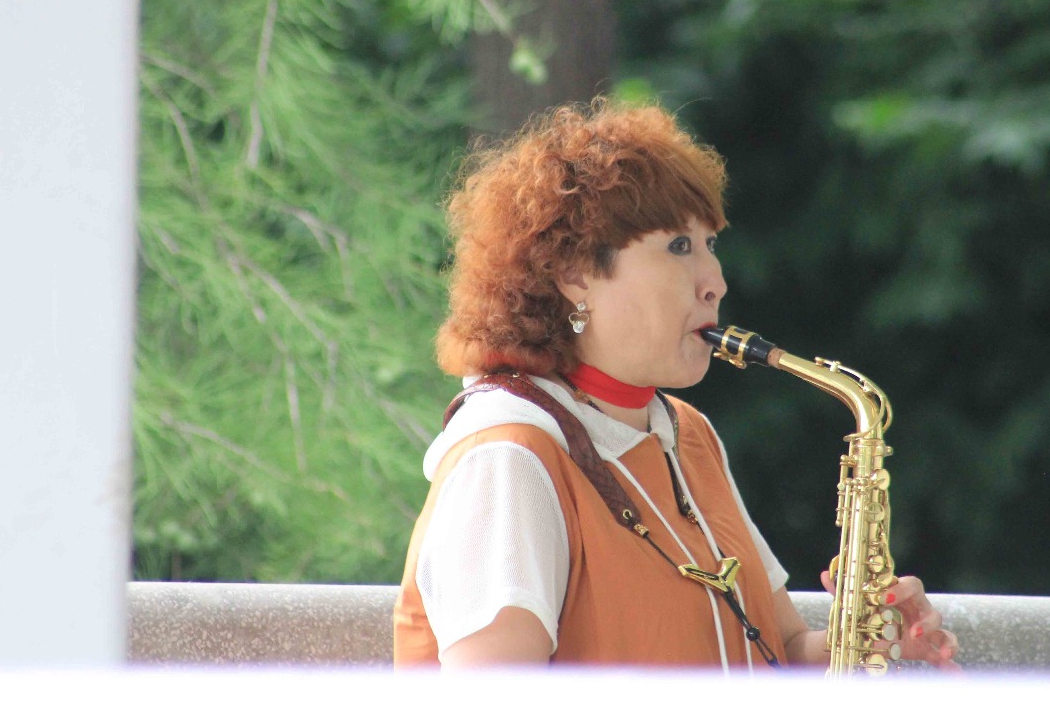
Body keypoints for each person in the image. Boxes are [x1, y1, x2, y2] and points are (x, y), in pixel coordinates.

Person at [393, 100, 959, 671]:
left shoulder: (689, 435)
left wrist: (859, 641)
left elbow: (779, 650)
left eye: (711, 244)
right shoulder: (506, 458)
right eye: (678, 247)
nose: (715, 282)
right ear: (574, 273)